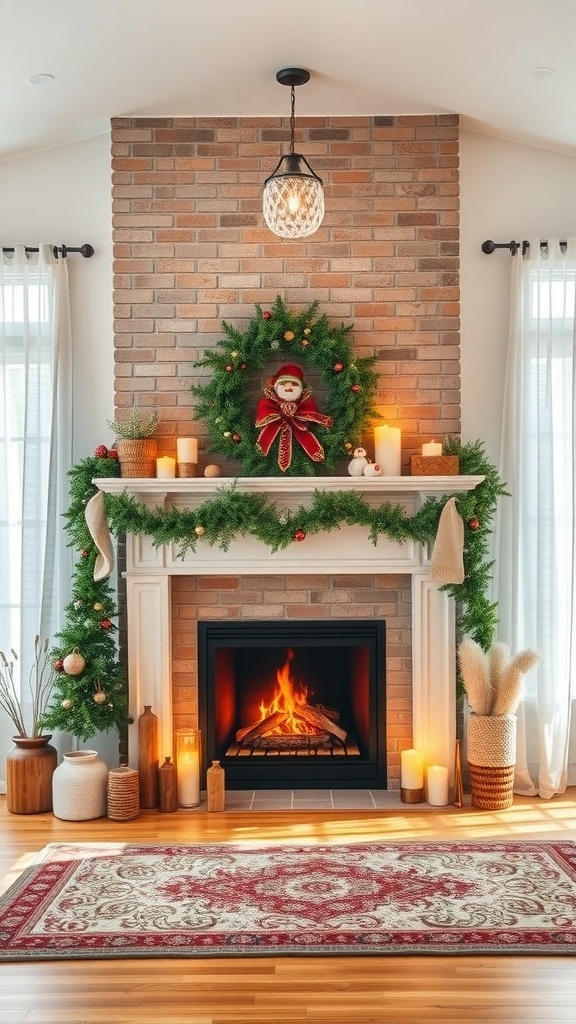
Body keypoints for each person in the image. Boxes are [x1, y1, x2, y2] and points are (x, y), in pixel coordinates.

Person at [255, 364, 333, 472]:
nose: (289, 387)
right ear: (275, 386)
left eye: (294, 384)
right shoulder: (267, 404)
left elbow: (313, 415)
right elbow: (263, 413)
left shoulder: (307, 405)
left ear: (301, 388)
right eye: (283, 383)